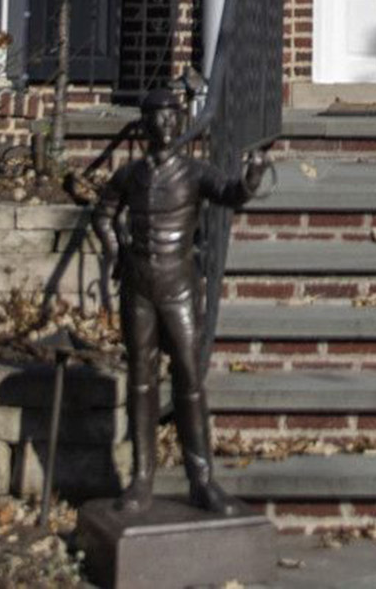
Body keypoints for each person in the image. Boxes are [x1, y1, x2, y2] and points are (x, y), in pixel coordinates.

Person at [91, 86, 271, 512]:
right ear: (146, 123)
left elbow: (230, 193)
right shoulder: (130, 175)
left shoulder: (194, 172)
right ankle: (140, 479)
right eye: (157, 116)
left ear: (179, 121)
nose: (165, 124)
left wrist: (251, 179)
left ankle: (202, 479)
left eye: (172, 116)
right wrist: (115, 249)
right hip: (138, 286)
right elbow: (102, 213)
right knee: (140, 378)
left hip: (179, 285)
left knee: (189, 378)